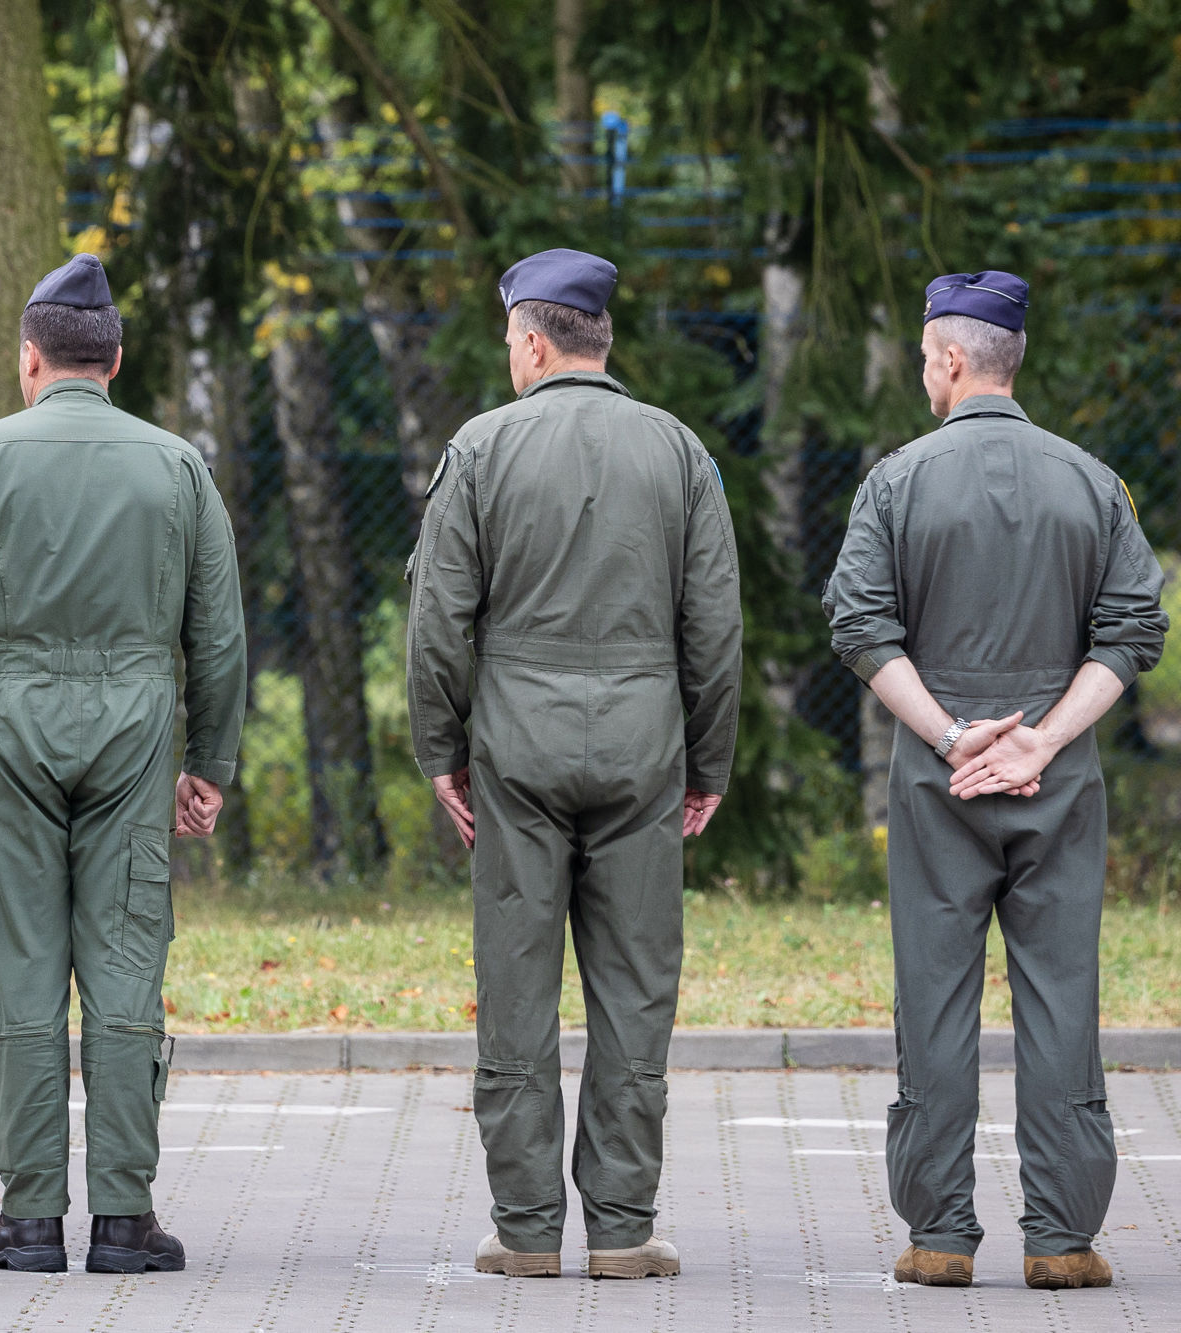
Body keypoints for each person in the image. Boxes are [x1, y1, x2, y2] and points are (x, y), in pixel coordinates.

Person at [0, 253, 246, 1275]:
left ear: (28, 360)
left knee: (25, 967)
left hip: (7, 723)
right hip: (135, 728)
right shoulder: (175, 465)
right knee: (127, 959)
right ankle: (127, 1219)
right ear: (115, 360)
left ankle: (30, 1217)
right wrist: (210, 758)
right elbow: (216, 634)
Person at [825, 270, 1166, 1292]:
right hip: (1055, 780)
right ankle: (1060, 1239)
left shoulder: (894, 481)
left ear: (947, 359)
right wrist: (1039, 741)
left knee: (932, 995)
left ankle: (938, 1236)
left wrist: (950, 737)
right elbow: (1131, 629)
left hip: (939, 783)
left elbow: (858, 625)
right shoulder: (1092, 483)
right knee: (1059, 995)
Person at [405, 248, 743, 1281]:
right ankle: (623, 1227)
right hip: (643, 739)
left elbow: (436, 622)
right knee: (634, 989)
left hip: (515, 745)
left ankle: (521, 1229)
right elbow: (714, 625)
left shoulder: (479, 448)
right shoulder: (676, 451)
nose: (508, 356)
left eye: (510, 339)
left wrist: (441, 751)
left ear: (534, 340)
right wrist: (706, 758)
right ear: (604, 342)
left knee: (515, 986)